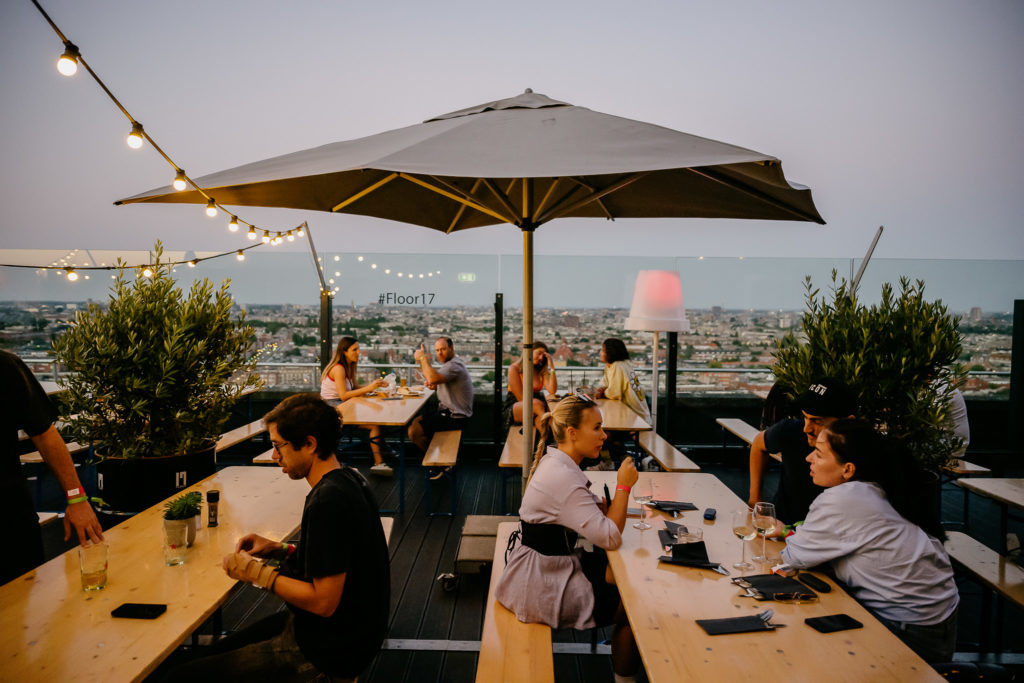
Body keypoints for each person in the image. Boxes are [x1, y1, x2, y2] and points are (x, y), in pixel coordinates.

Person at [168, 393, 390, 681]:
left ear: (309, 444)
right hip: (350, 632)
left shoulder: (328, 501)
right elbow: (337, 563)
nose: (275, 457)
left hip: (330, 650)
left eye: (278, 446)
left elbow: (324, 602)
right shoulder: (349, 478)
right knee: (204, 659)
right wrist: (279, 549)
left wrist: (256, 573)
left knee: (178, 678)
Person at [780, 418, 959, 663]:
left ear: (848, 469)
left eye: (819, 454)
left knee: (797, 641)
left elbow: (795, 557)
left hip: (909, 629)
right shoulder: (881, 486)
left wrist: (793, 537)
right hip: (936, 619)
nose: (808, 458)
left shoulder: (844, 498)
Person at [495, 395, 641, 683]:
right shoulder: (563, 477)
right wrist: (624, 485)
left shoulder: (556, 463)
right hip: (541, 585)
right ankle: (625, 674)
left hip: (538, 567)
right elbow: (610, 537)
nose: (604, 435)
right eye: (597, 428)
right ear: (572, 433)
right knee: (633, 606)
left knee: (620, 577)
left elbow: (585, 516)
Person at [1, 350, 103, 585]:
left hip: (10, 522)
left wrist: (77, 499)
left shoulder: (5, 367)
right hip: (14, 517)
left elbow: (46, 437)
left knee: (18, 604)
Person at [747, 378, 856, 525]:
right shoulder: (791, 430)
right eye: (805, 417)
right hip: (779, 526)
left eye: (817, 421)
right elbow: (758, 444)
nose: (806, 428)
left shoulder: (862, 457)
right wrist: (755, 499)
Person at [320, 336, 391, 475]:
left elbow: (353, 387)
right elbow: (343, 395)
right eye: (355, 349)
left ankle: (384, 452)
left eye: (358, 349)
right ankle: (379, 461)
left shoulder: (348, 366)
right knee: (374, 424)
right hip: (333, 407)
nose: (358, 352)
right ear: (344, 352)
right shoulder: (339, 369)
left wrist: (375, 388)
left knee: (374, 415)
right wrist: (370, 388)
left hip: (343, 404)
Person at [408, 337, 474, 452]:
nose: (440, 353)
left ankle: (437, 461)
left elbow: (433, 378)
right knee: (416, 421)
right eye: (437, 350)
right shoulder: (452, 364)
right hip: (451, 414)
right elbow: (439, 380)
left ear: (451, 348)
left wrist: (422, 358)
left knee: (414, 431)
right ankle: (435, 457)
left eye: (443, 349)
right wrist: (437, 385)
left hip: (455, 417)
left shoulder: (453, 365)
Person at [594, 338, 651, 423]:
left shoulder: (618, 366)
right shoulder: (616, 365)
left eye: (602, 350)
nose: (600, 353)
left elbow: (614, 393)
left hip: (637, 420)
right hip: (637, 416)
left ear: (610, 352)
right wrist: (603, 390)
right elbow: (604, 385)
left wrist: (603, 392)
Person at [503, 341, 557, 429]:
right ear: (529, 351)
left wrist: (551, 367)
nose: (540, 358)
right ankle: (559, 430)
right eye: (539, 353)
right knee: (537, 404)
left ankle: (545, 441)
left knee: (540, 421)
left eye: (543, 356)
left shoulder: (540, 371)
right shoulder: (514, 369)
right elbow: (521, 398)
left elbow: (552, 390)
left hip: (537, 408)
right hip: (516, 406)